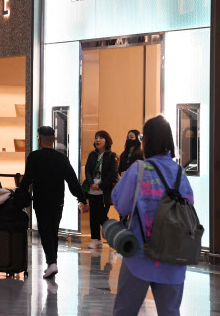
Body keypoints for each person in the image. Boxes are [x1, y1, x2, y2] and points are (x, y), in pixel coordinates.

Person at [112, 115, 194, 316]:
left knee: (125, 311)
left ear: (146, 140)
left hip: (140, 257)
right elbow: (189, 208)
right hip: (174, 258)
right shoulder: (179, 173)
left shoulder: (139, 170)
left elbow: (121, 205)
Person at [19, 126, 87, 279]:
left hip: (41, 200)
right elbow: (72, 181)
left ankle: (52, 263)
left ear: (39, 139)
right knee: (53, 231)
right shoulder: (61, 158)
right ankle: (52, 263)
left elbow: (27, 180)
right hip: (57, 201)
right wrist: (82, 199)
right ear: (54, 139)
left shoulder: (34, 157)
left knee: (45, 232)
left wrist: (19, 194)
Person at [82, 130, 118, 249]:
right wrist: (91, 183)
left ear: (107, 140)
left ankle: (114, 235)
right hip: (92, 190)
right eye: (96, 137)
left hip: (103, 191)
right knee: (93, 216)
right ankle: (97, 239)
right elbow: (87, 170)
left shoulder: (112, 156)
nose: (97, 140)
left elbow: (112, 174)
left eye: (101, 138)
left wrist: (100, 185)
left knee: (102, 216)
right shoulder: (92, 155)